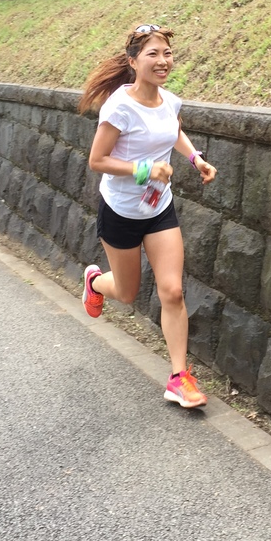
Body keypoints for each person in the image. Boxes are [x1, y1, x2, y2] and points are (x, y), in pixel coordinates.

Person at [77, 24, 217, 409]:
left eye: (167, 53)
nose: (162, 61)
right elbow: (97, 161)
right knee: (126, 292)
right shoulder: (119, 107)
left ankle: (179, 377)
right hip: (121, 211)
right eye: (153, 54)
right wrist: (145, 169)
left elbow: (173, 132)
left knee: (171, 290)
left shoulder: (170, 102)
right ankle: (95, 282)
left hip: (158, 208)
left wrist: (195, 158)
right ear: (133, 61)